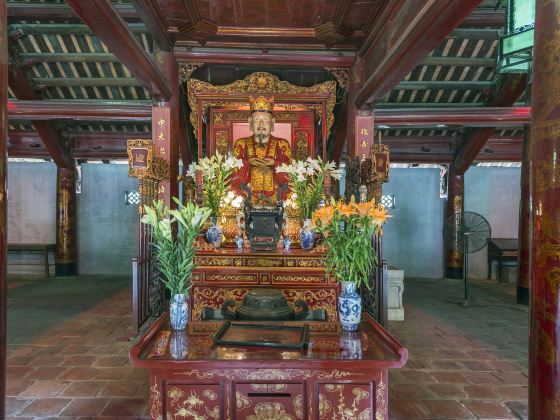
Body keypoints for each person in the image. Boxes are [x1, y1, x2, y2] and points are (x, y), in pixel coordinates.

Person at [232, 96, 292, 205]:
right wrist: (247, 163)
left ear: (272, 123)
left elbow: (291, 176)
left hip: (276, 196)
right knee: (231, 193)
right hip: (246, 196)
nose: (261, 125)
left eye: (265, 120)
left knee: (293, 194)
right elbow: (233, 176)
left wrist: (275, 163)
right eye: (256, 120)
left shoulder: (282, 145)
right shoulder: (241, 144)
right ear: (250, 123)